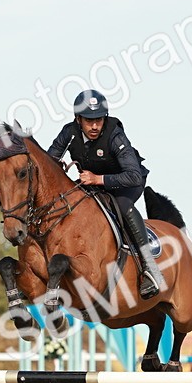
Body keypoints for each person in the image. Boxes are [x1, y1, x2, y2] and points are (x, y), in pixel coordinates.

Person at [46, 89, 164, 300]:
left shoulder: (114, 134)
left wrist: (98, 179)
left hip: (125, 182)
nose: (94, 126)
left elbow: (133, 176)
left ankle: (150, 268)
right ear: (78, 119)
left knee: (121, 206)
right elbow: (48, 162)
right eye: (89, 120)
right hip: (92, 182)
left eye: (99, 120)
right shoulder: (69, 132)